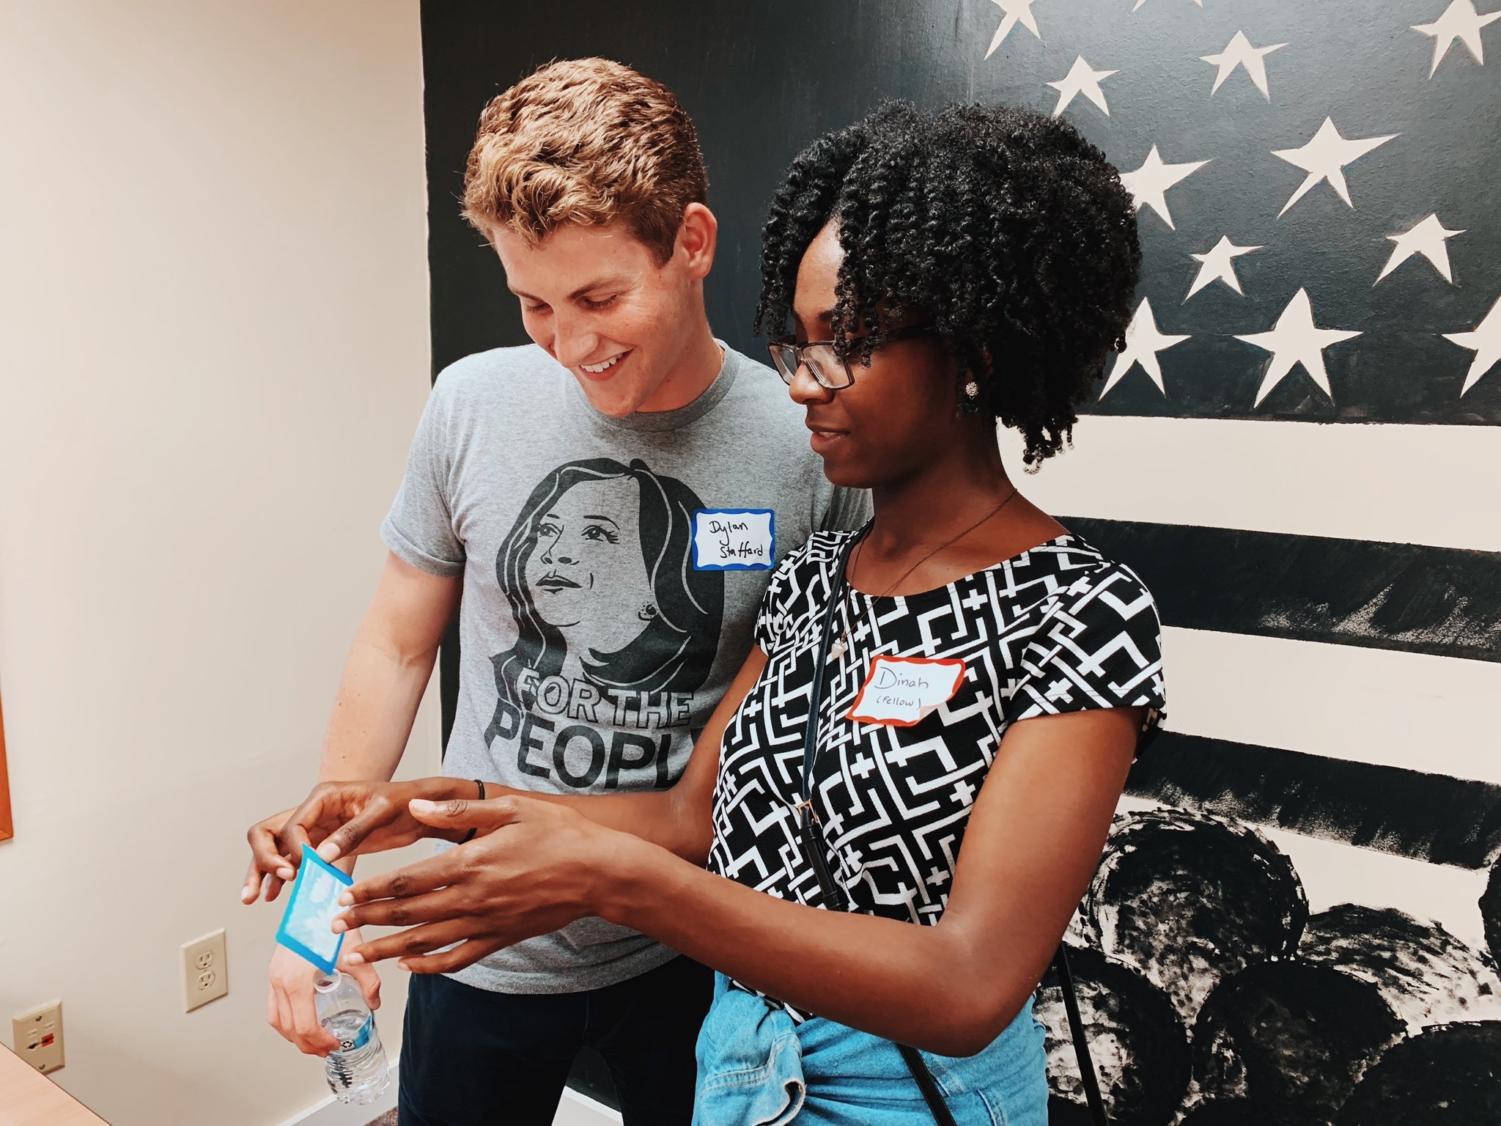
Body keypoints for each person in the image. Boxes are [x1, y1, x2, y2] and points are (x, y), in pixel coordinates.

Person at [257, 102, 1166, 1124]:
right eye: (799, 340)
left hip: (897, 1089)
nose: (803, 383)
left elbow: (966, 987)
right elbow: (696, 813)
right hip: (746, 1063)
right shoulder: (823, 571)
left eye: (846, 344)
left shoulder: (1081, 611)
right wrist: (435, 804)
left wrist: (609, 879)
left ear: (977, 351)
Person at [241, 58, 868, 1126]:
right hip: (479, 934)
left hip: (685, 935)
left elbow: (786, 727)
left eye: (599, 296)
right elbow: (395, 645)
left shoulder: (800, 444)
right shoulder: (472, 404)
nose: (572, 344)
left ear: (691, 244)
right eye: (533, 302)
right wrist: (318, 906)